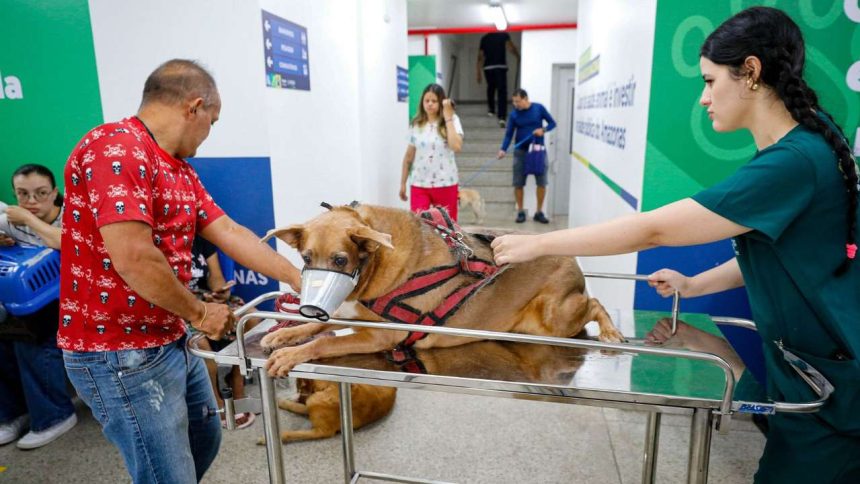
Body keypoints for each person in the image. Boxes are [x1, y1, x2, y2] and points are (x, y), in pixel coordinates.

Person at [492, 7, 859, 482]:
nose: (704, 98)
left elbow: (654, 230)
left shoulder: (792, 163)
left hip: (832, 395)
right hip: (810, 379)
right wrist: (694, 283)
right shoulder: (796, 151)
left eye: (710, 81)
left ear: (750, 71)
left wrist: (537, 245)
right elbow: (777, 252)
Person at [59, 59, 301, 483]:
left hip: (168, 336)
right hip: (119, 353)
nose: (210, 133)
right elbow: (134, 256)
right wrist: (202, 312)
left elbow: (228, 230)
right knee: (166, 473)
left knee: (204, 438)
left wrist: (299, 278)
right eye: (213, 120)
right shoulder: (115, 148)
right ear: (195, 106)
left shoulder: (179, 170)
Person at [0, 164, 78, 450]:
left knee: (29, 337)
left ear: (54, 193)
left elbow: (68, 243)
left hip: (74, 300)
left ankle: (54, 414)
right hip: (27, 302)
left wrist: (30, 221)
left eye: (40, 193)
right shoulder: (8, 221)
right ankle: (13, 413)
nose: (31, 202)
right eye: (23, 194)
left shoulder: (70, 217)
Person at [188, 237, 256, 429]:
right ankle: (217, 402)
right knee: (199, 341)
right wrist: (198, 304)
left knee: (250, 317)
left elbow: (216, 278)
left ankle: (237, 382)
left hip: (206, 298)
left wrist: (220, 293)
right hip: (182, 305)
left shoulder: (201, 240)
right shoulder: (162, 240)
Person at [399, 84, 464, 221]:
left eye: (434, 101)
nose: (429, 104)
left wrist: (448, 117)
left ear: (441, 102)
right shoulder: (416, 124)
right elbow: (408, 157)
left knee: (447, 227)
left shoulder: (452, 120)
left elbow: (456, 146)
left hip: (446, 183)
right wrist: (403, 183)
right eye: (426, 100)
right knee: (419, 225)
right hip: (419, 183)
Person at [496, 89, 556, 224]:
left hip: (538, 151)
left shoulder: (538, 108)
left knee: (542, 182)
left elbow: (553, 123)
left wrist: (543, 130)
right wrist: (503, 149)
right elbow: (509, 134)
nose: (516, 104)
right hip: (520, 152)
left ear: (525, 98)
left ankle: (539, 212)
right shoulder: (514, 115)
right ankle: (521, 211)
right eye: (514, 102)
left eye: (518, 101)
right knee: (518, 183)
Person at [477, 31, 520, 128]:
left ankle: (491, 110)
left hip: (487, 67)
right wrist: (518, 55)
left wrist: (478, 72)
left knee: (491, 87)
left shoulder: (485, 38)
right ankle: (502, 117)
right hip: (500, 66)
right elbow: (510, 47)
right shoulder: (503, 35)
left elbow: (480, 56)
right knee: (502, 91)